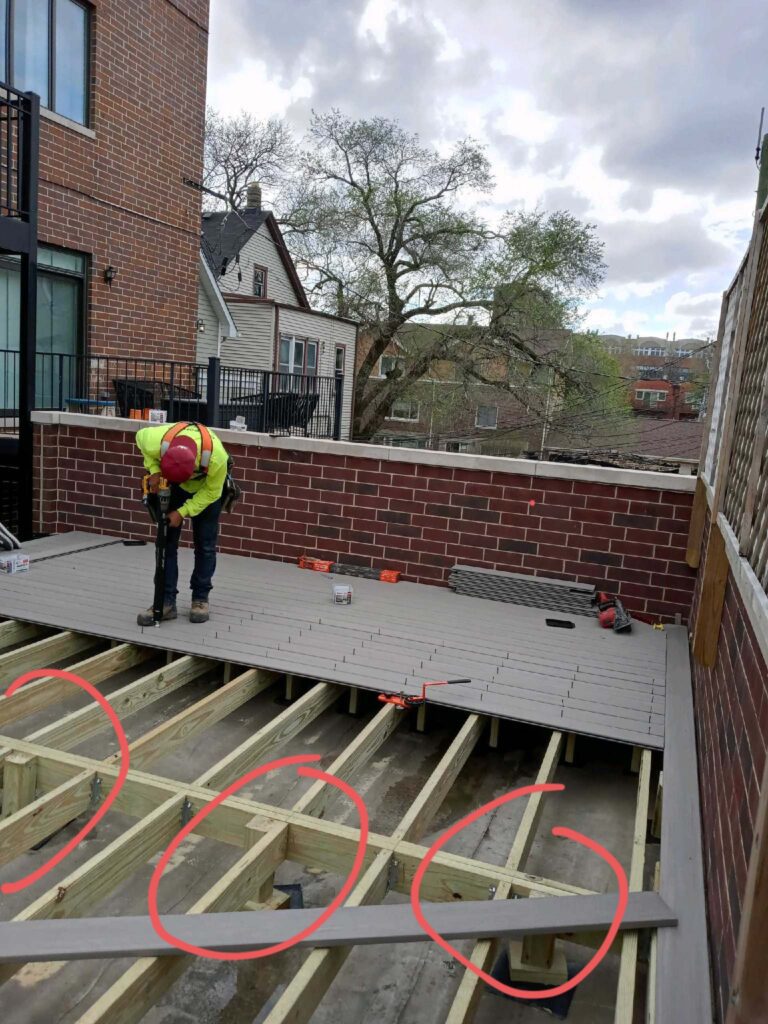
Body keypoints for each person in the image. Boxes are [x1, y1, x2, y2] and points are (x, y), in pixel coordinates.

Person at [135, 421, 228, 626]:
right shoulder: (156, 440)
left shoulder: (216, 457)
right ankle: (166, 602)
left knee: (205, 545)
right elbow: (139, 437)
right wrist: (155, 470)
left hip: (207, 490)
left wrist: (183, 512)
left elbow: (212, 492)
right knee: (166, 543)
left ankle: (200, 599)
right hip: (173, 483)